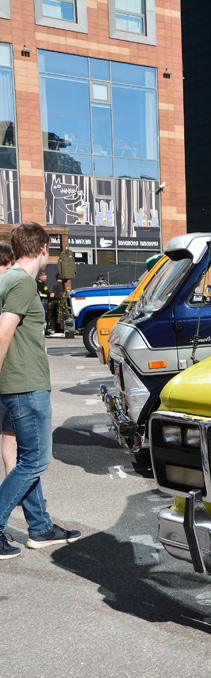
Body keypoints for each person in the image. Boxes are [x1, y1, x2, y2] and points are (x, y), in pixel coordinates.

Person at [0, 223, 80, 560]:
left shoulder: (8, 279)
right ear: (43, 248)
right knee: (35, 460)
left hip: (16, 384)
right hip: (25, 385)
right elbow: (4, 333)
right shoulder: (19, 281)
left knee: (25, 459)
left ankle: (40, 527)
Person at [0, 242, 16, 478]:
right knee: (11, 436)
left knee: (9, 435)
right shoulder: (10, 288)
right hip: (10, 374)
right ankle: (14, 488)